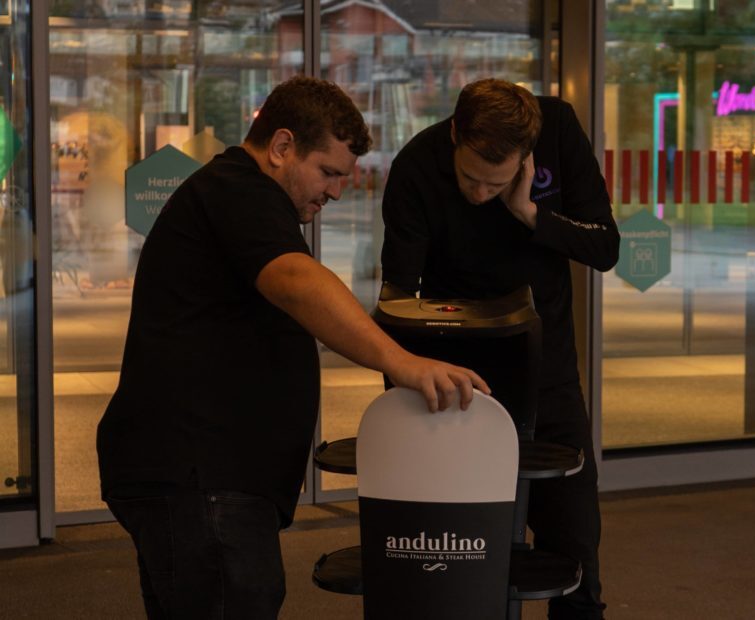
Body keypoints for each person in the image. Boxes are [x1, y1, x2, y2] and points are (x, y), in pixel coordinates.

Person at [96, 76, 488, 619]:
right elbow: (297, 280)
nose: (335, 192)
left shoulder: (238, 197)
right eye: (328, 172)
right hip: (201, 477)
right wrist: (402, 362)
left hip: (204, 478)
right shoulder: (238, 189)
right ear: (281, 147)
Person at [381, 78, 620, 619]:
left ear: (525, 160)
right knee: (461, 550)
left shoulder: (557, 128)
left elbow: (605, 247)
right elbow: (398, 297)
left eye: (496, 183)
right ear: (455, 136)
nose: (480, 192)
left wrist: (531, 215)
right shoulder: (417, 166)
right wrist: (403, 395)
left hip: (548, 369)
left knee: (576, 544)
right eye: (470, 177)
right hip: (455, 377)